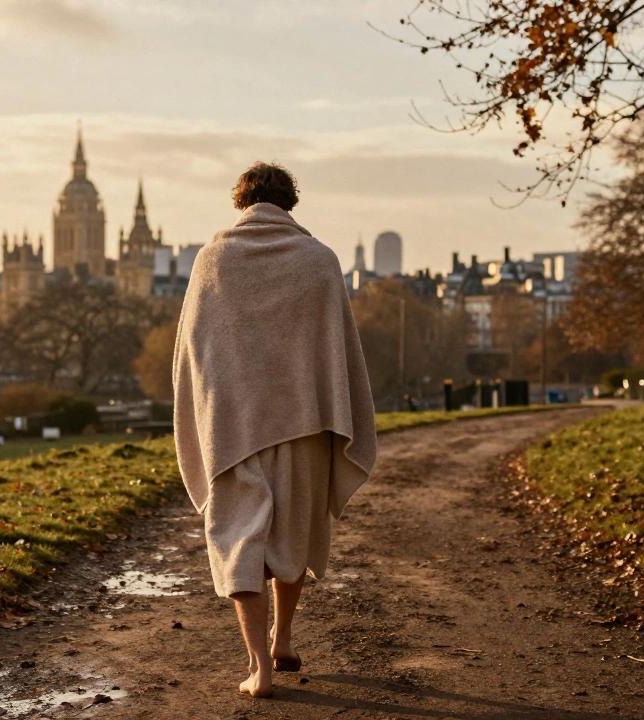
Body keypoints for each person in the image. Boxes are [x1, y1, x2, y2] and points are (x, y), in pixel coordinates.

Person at [172, 162, 377, 698]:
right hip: (305, 423)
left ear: (241, 202)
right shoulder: (320, 261)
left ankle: (259, 665)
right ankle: (283, 637)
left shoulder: (212, 260)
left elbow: (193, 350)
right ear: (290, 203)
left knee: (240, 540)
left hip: (233, 426)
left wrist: (205, 411)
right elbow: (340, 351)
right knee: (292, 535)